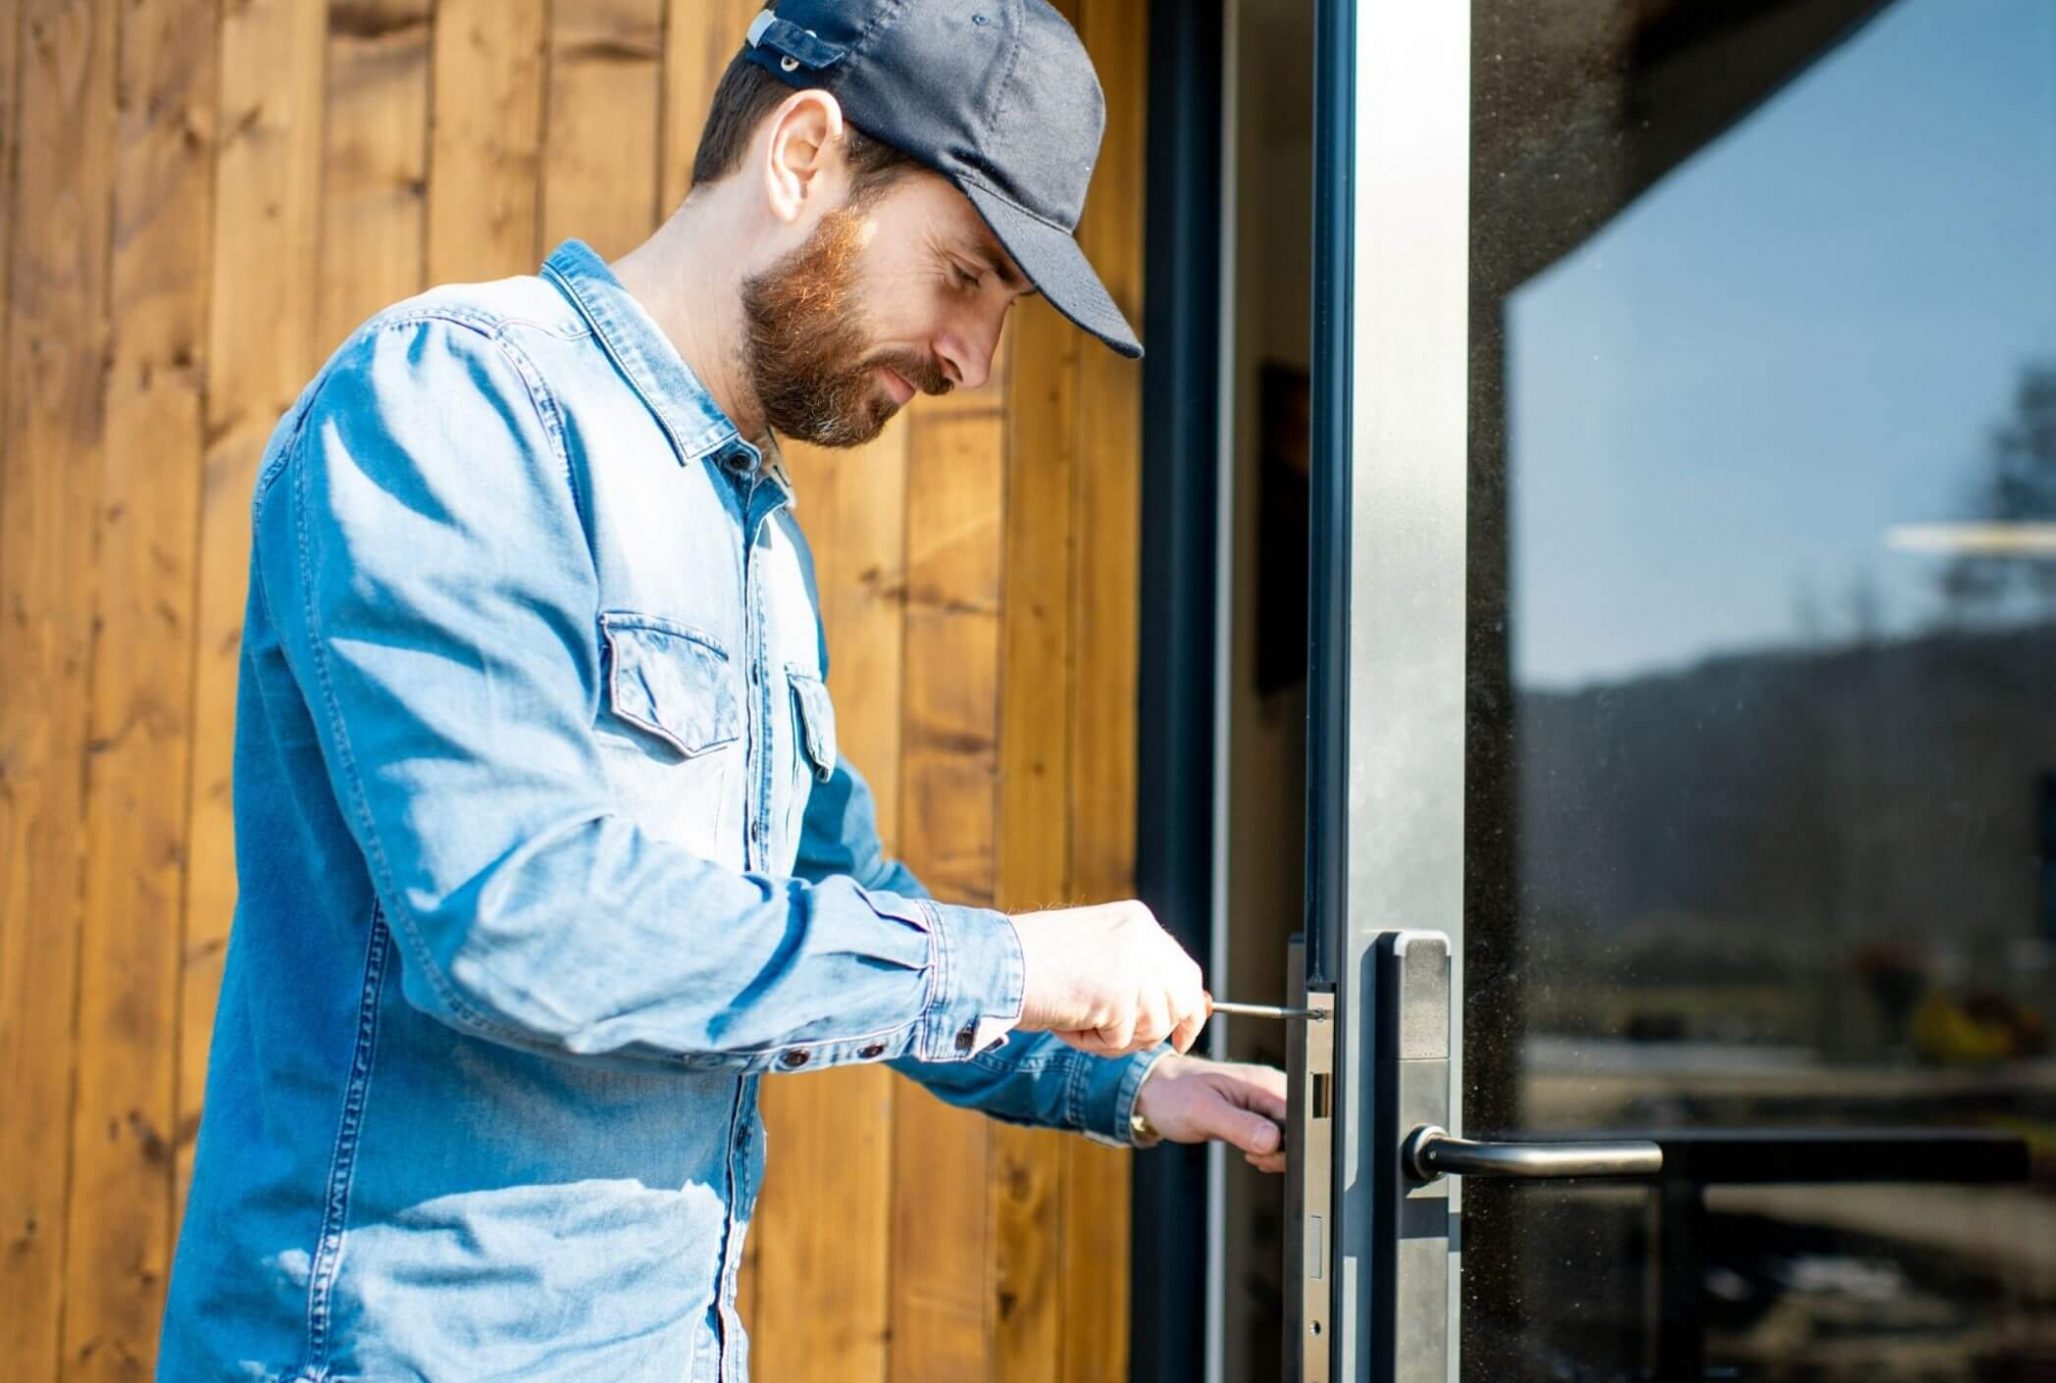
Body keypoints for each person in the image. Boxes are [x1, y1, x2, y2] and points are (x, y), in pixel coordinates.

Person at [156, 2, 1283, 1376]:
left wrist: (1125, 1079)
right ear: (803, 155)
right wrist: (1020, 962)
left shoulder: (754, 534)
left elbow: (842, 910)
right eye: (968, 274)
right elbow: (518, 916)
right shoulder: (456, 402)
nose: (975, 359)